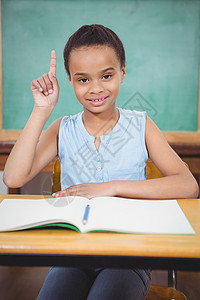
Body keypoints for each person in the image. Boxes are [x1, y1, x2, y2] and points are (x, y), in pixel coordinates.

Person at [3, 24, 198, 300]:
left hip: (129, 254)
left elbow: (188, 185)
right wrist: (41, 110)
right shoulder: (62, 129)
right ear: (69, 80)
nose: (96, 88)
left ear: (122, 73)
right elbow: (13, 178)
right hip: (73, 254)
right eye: (83, 80)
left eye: (106, 76)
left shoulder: (141, 125)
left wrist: (109, 187)